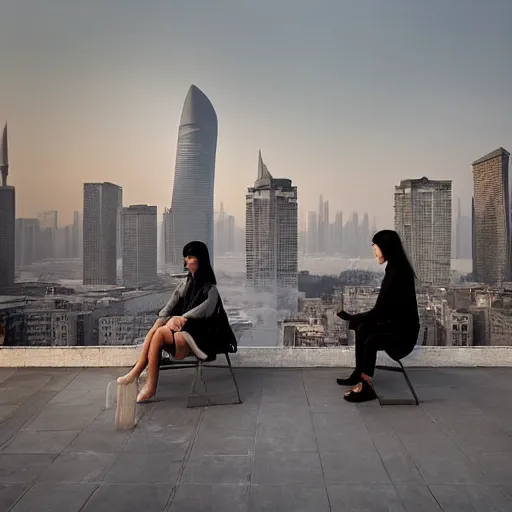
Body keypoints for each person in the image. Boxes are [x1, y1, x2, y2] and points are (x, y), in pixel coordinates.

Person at [117, 240, 237, 402]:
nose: (186, 261)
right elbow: (170, 306)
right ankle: (143, 380)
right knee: (158, 328)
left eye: (190, 257)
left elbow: (204, 312)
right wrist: (165, 319)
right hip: (182, 334)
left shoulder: (211, 290)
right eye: (185, 257)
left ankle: (138, 374)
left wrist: (180, 319)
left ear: (200, 259)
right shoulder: (186, 284)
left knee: (161, 330)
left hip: (201, 339)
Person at [336, 230, 419, 403]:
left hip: (403, 336)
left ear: (386, 247)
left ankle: (366, 388)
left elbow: (380, 310)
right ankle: (359, 374)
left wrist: (354, 317)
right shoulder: (395, 269)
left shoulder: (397, 273)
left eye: (376, 246)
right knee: (363, 327)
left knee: (370, 339)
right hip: (396, 326)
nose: (374, 250)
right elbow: (383, 310)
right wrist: (357, 319)